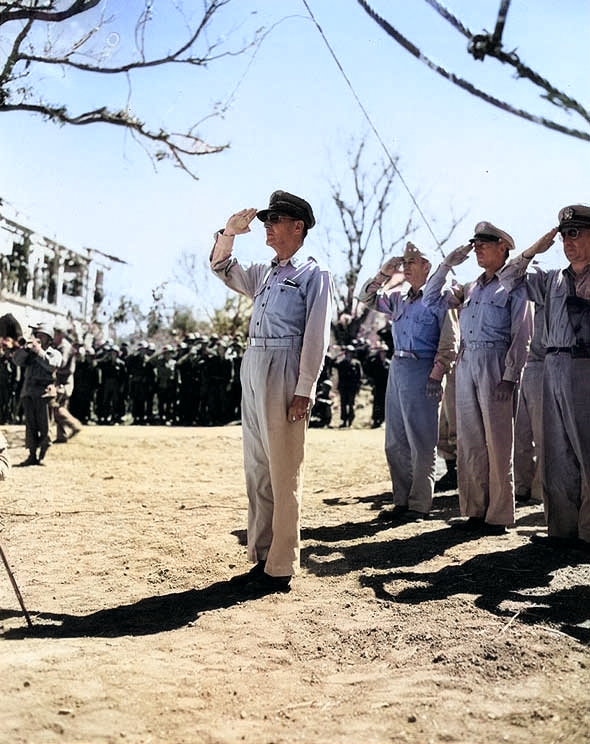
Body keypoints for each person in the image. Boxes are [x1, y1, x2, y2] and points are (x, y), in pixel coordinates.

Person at [210, 190, 333, 593]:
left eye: (275, 219)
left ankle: (281, 564)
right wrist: (229, 232)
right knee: (257, 466)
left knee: (284, 470)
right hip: (255, 363)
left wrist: (305, 389)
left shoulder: (314, 275)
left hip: (285, 367)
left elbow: (316, 336)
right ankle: (261, 552)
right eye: (266, 219)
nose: (267, 225)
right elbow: (222, 266)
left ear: (298, 226)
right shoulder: (264, 274)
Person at [423, 222, 533, 535]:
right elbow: (431, 299)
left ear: (503, 247)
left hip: (496, 362)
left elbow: (522, 333)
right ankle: (475, 509)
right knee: (469, 439)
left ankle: (498, 515)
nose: (478, 249)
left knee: (498, 442)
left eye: (485, 243)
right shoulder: (469, 288)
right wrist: (447, 264)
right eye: (476, 244)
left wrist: (510, 376)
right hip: (467, 361)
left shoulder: (514, 285)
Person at [499, 205, 590, 551]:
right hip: (551, 365)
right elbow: (508, 278)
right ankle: (562, 530)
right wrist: (534, 250)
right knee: (556, 452)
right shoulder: (552, 278)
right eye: (565, 234)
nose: (569, 241)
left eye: (577, 233)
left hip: (585, 365)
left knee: (587, 450)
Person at [359, 241, 458, 523]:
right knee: (395, 441)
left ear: (427, 266)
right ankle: (401, 500)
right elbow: (365, 298)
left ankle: (419, 505)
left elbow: (450, 340)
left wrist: (437, 374)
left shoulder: (441, 298)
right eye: (404, 262)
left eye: (412, 262)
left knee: (422, 441)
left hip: (423, 367)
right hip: (398, 368)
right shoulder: (399, 297)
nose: (406, 267)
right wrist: (382, 274)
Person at [13, 322, 62, 466]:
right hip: (29, 391)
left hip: (44, 393)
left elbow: (51, 365)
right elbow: (17, 361)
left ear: (49, 338)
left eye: (42, 335)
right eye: (37, 335)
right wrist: (25, 349)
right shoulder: (30, 352)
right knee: (30, 425)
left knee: (44, 425)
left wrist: (39, 351)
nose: (38, 337)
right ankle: (32, 454)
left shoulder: (54, 353)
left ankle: (43, 453)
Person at [52, 319, 83, 443]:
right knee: (61, 406)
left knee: (56, 407)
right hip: (60, 379)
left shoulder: (64, 347)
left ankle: (75, 425)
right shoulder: (59, 346)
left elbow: (62, 363)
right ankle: (62, 435)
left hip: (64, 380)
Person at [335, 345, 362, 428]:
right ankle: (344, 421)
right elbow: (332, 363)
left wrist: (358, 387)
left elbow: (359, 376)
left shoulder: (356, 363)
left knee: (351, 404)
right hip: (343, 387)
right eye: (348, 353)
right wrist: (338, 355)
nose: (349, 355)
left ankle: (350, 421)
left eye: (351, 353)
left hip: (352, 387)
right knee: (343, 404)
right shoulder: (341, 363)